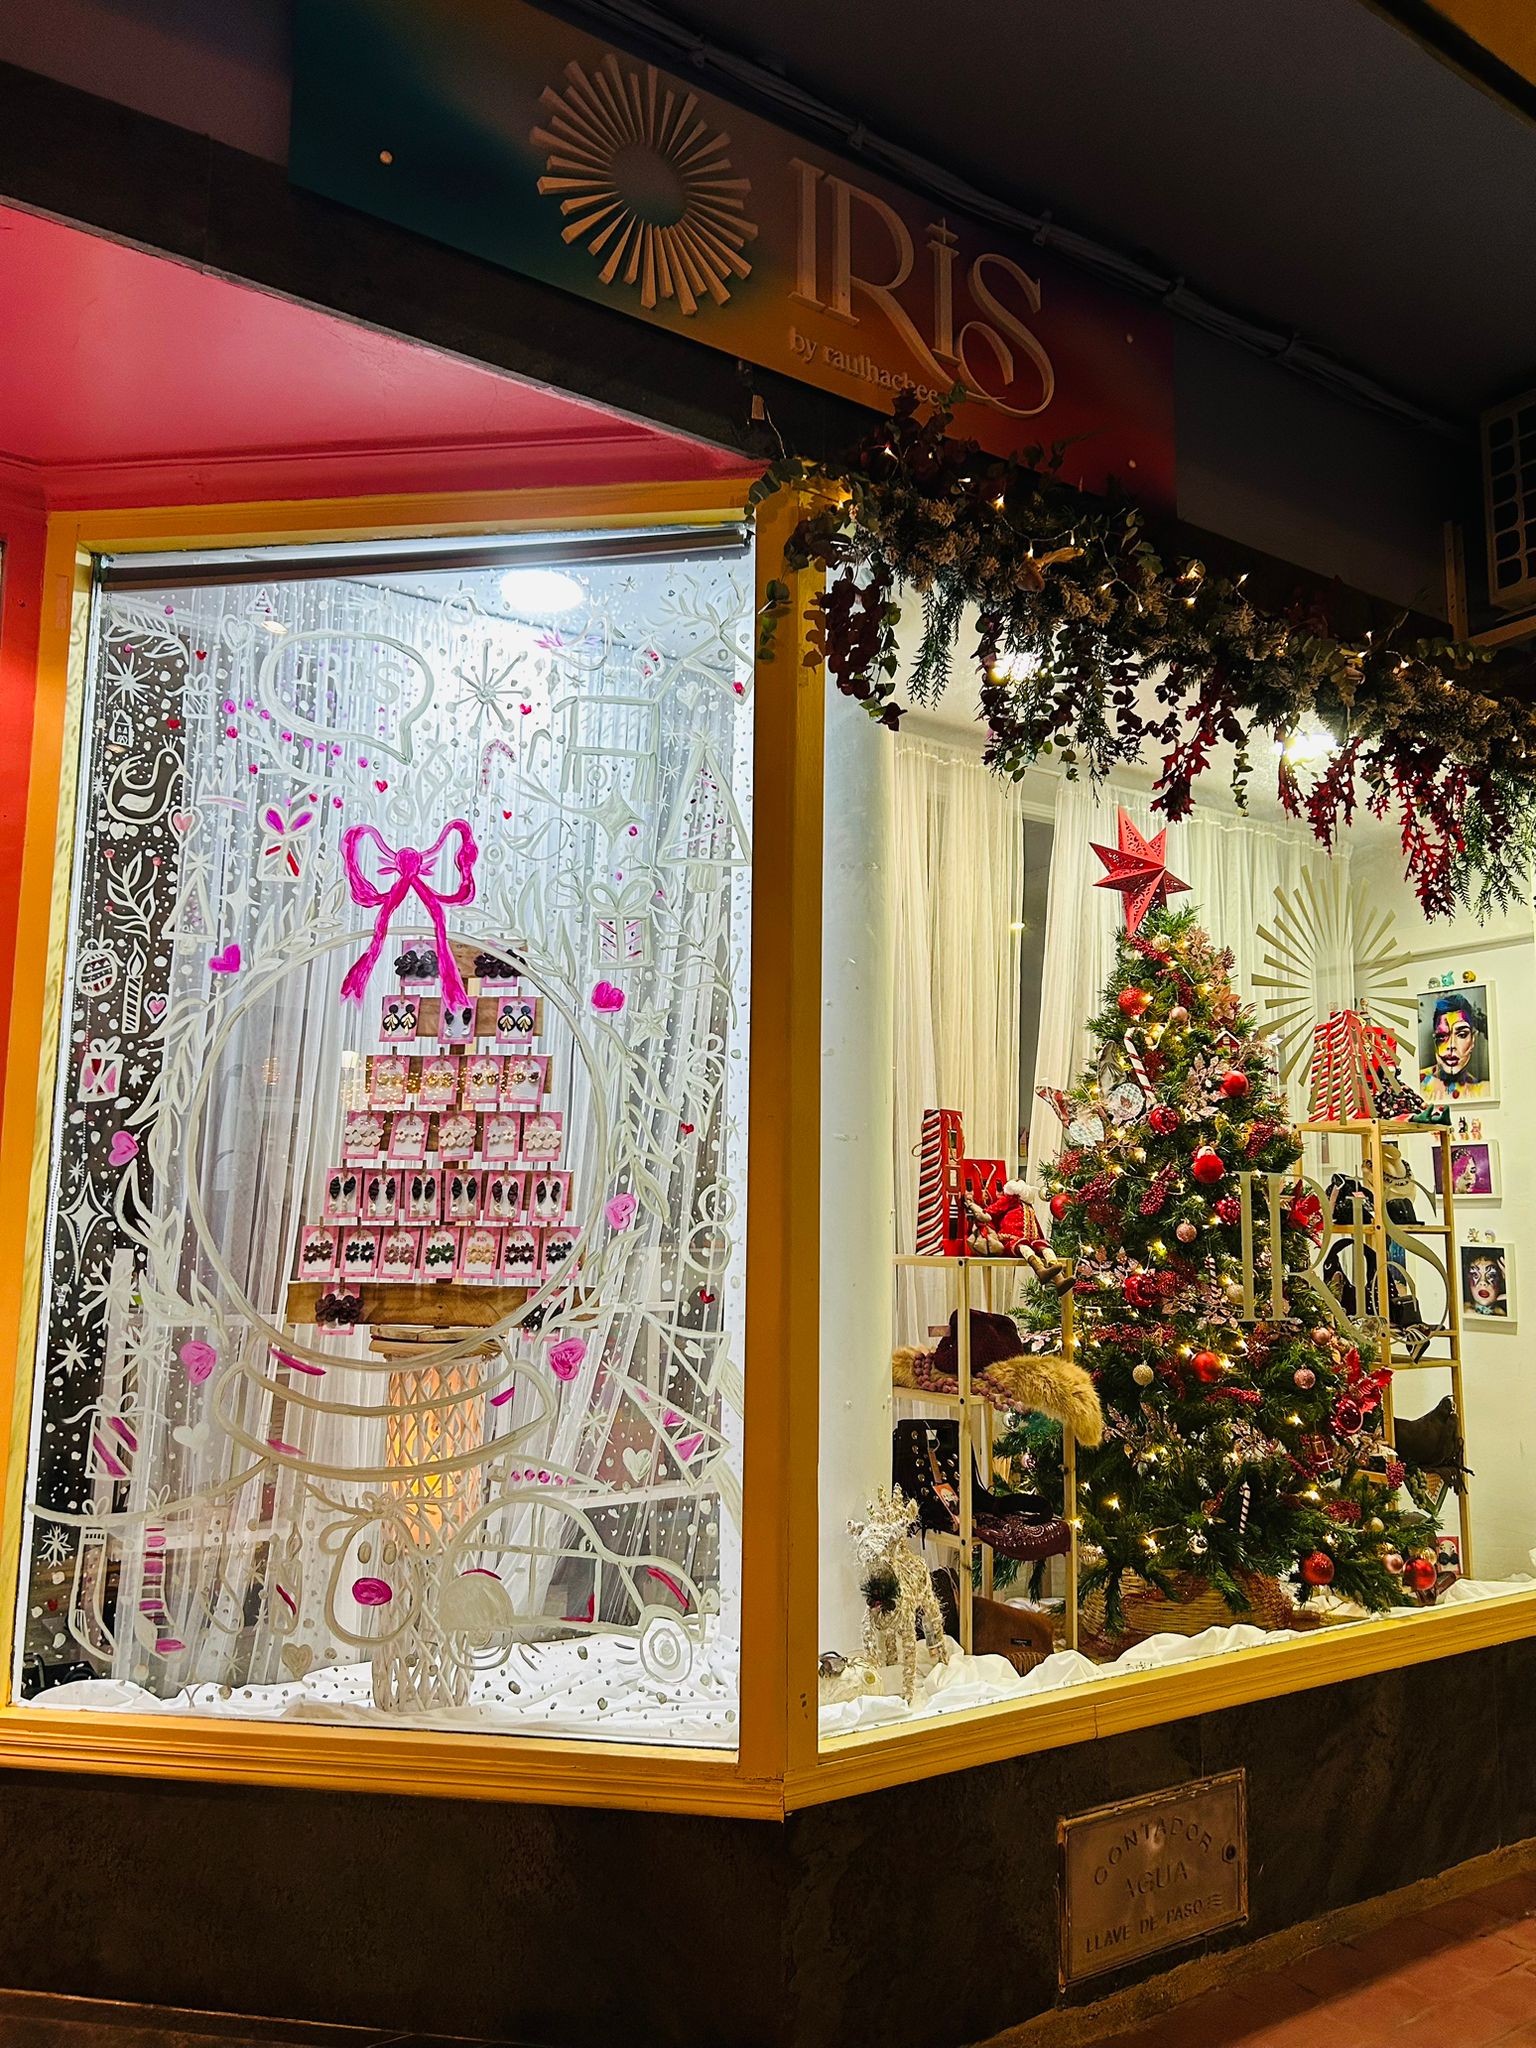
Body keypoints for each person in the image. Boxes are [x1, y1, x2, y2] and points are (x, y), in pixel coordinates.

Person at [1420, 992, 1491, 1103]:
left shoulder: (1484, 1091)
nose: (1451, 1045)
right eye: (1442, 1036)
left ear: (1472, 1040)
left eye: (1462, 1035)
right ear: (1435, 1041)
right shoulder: (1414, 1084)